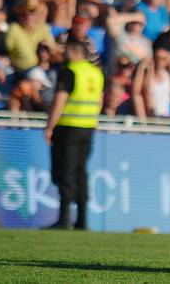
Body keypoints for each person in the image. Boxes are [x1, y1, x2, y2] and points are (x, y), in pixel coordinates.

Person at [43, 39, 105, 230]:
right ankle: (82, 220)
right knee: (81, 172)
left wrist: (49, 127)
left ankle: (63, 219)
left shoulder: (70, 71)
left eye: (65, 49)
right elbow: (100, 100)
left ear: (73, 50)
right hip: (88, 128)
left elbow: (59, 101)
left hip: (68, 127)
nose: (63, 53)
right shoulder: (96, 72)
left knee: (66, 171)